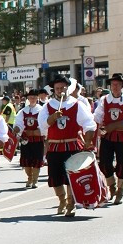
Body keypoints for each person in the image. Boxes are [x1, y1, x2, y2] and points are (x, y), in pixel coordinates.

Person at [41, 74, 96, 217]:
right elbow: (41, 125)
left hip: (72, 145)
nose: (60, 90)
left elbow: (89, 123)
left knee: (71, 176)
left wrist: (88, 139)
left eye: (62, 88)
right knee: (55, 176)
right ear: (54, 89)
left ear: (67, 88)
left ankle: (71, 203)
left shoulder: (76, 104)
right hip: (54, 146)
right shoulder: (48, 106)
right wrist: (52, 118)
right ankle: (62, 200)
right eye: (57, 88)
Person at [93, 73, 123, 204]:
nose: (115, 86)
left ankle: (120, 190)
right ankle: (111, 186)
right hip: (107, 136)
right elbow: (97, 115)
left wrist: (115, 125)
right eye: (113, 84)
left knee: (121, 164)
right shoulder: (104, 100)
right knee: (104, 163)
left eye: (118, 84)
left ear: (122, 86)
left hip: (121, 136)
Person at [13, 88, 45, 189]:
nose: (32, 98)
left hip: (37, 140)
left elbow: (43, 124)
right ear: (28, 98)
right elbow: (19, 123)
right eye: (31, 97)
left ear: (37, 98)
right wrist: (17, 129)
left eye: (34, 97)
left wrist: (36, 132)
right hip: (26, 140)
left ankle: (35, 180)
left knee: (36, 160)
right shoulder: (23, 111)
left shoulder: (41, 110)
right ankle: (29, 178)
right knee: (26, 161)